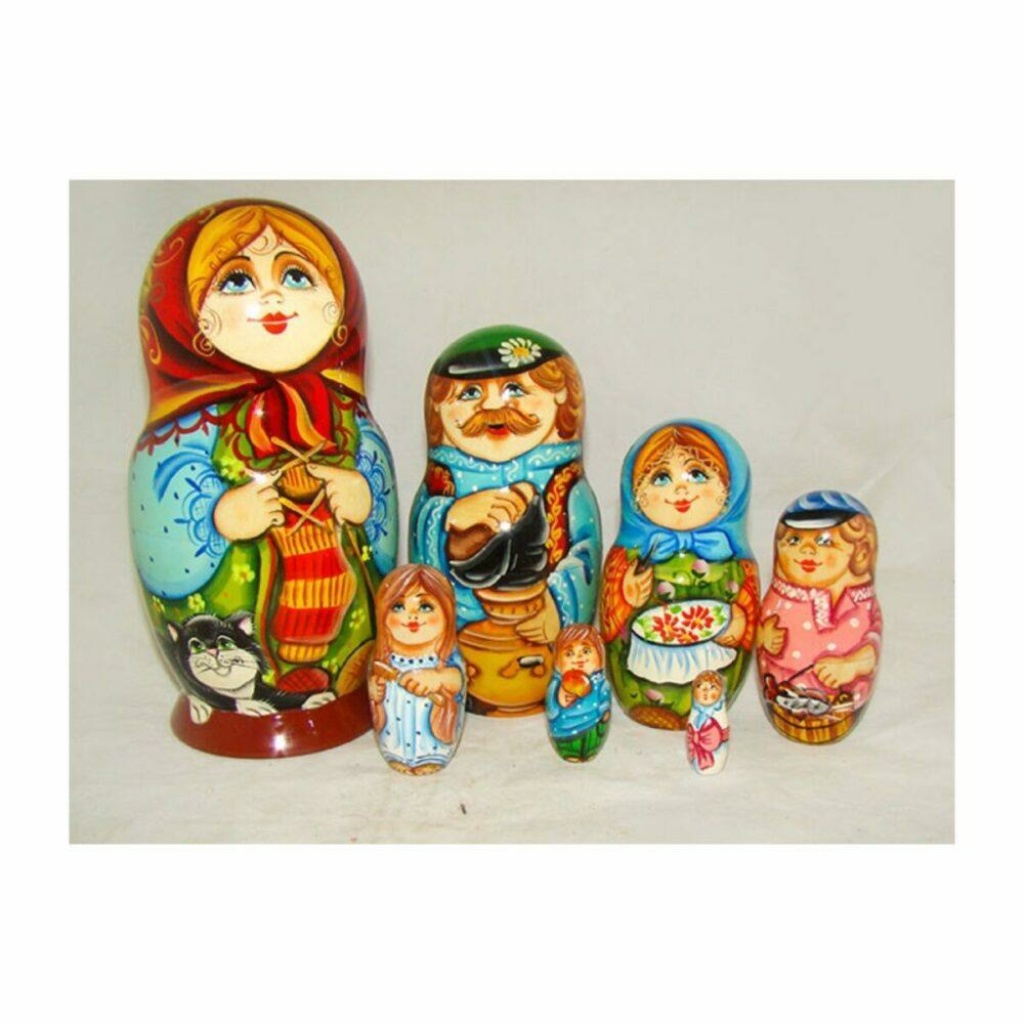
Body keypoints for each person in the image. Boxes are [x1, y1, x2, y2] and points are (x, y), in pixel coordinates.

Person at [129, 201, 397, 706]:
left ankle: (340, 685)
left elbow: (374, 501)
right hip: (242, 618)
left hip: (340, 594)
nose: (272, 296)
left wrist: (362, 495)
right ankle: (236, 700)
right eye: (236, 280)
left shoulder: (346, 414)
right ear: (183, 312)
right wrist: (219, 516)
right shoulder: (186, 429)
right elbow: (164, 505)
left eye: (296, 275)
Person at [410, 326, 601, 714]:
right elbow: (422, 570)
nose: (493, 406)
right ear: (437, 408)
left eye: (515, 389)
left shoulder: (566, 485)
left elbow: (583, 553)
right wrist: (448, 515)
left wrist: (556, 606)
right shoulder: (442, 484)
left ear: (561, 396)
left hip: (542, 647)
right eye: (469, 394)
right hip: (467, 649)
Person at [600, 420, 758, 729]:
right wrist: (624, 594)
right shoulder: (626, 558)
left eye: (698, 474)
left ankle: (707, 711)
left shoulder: (734, 557)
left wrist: (741, 616)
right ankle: (648, 707)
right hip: (644, 682)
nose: (681, 489)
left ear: (730, 487)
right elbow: (612, 623)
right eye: (660, 477)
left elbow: (748, 598)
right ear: (635, 493)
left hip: (713, 675)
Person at [757, 491, 881, 740]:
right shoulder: (780, 599)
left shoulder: (861, 604)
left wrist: (851, 665)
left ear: (860, 552)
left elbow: (872, 644)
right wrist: (765, 638)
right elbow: (761, 640)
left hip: (840, 705)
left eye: (824, 541)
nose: (807, 550)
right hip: (784, 696)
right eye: (793, 540)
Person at [368, 564, 466, 774]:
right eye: (398, 606)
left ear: (447, 611)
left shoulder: (446, 658)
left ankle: (430, 756)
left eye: (425, 606)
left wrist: (438, 678)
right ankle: (396, 754)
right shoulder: (383, 660)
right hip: (395, 734)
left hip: (432, 741)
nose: (411, 616)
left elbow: (456, 680)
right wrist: (376, 693)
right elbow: (376, 698)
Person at [545, 624, 612, 762]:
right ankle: (569, 752)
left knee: (589, 743)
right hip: (565, 730)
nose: (579, 657)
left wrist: (604, 711)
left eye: (586, 651)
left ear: (600, 653)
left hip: (592, 726)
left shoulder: (600, 683)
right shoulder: (557, 684)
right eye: (569, 654)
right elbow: (552, 711)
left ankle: (589, 751)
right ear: (557, 659)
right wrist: (562, 695)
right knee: (570, 747)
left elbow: (604, 700)